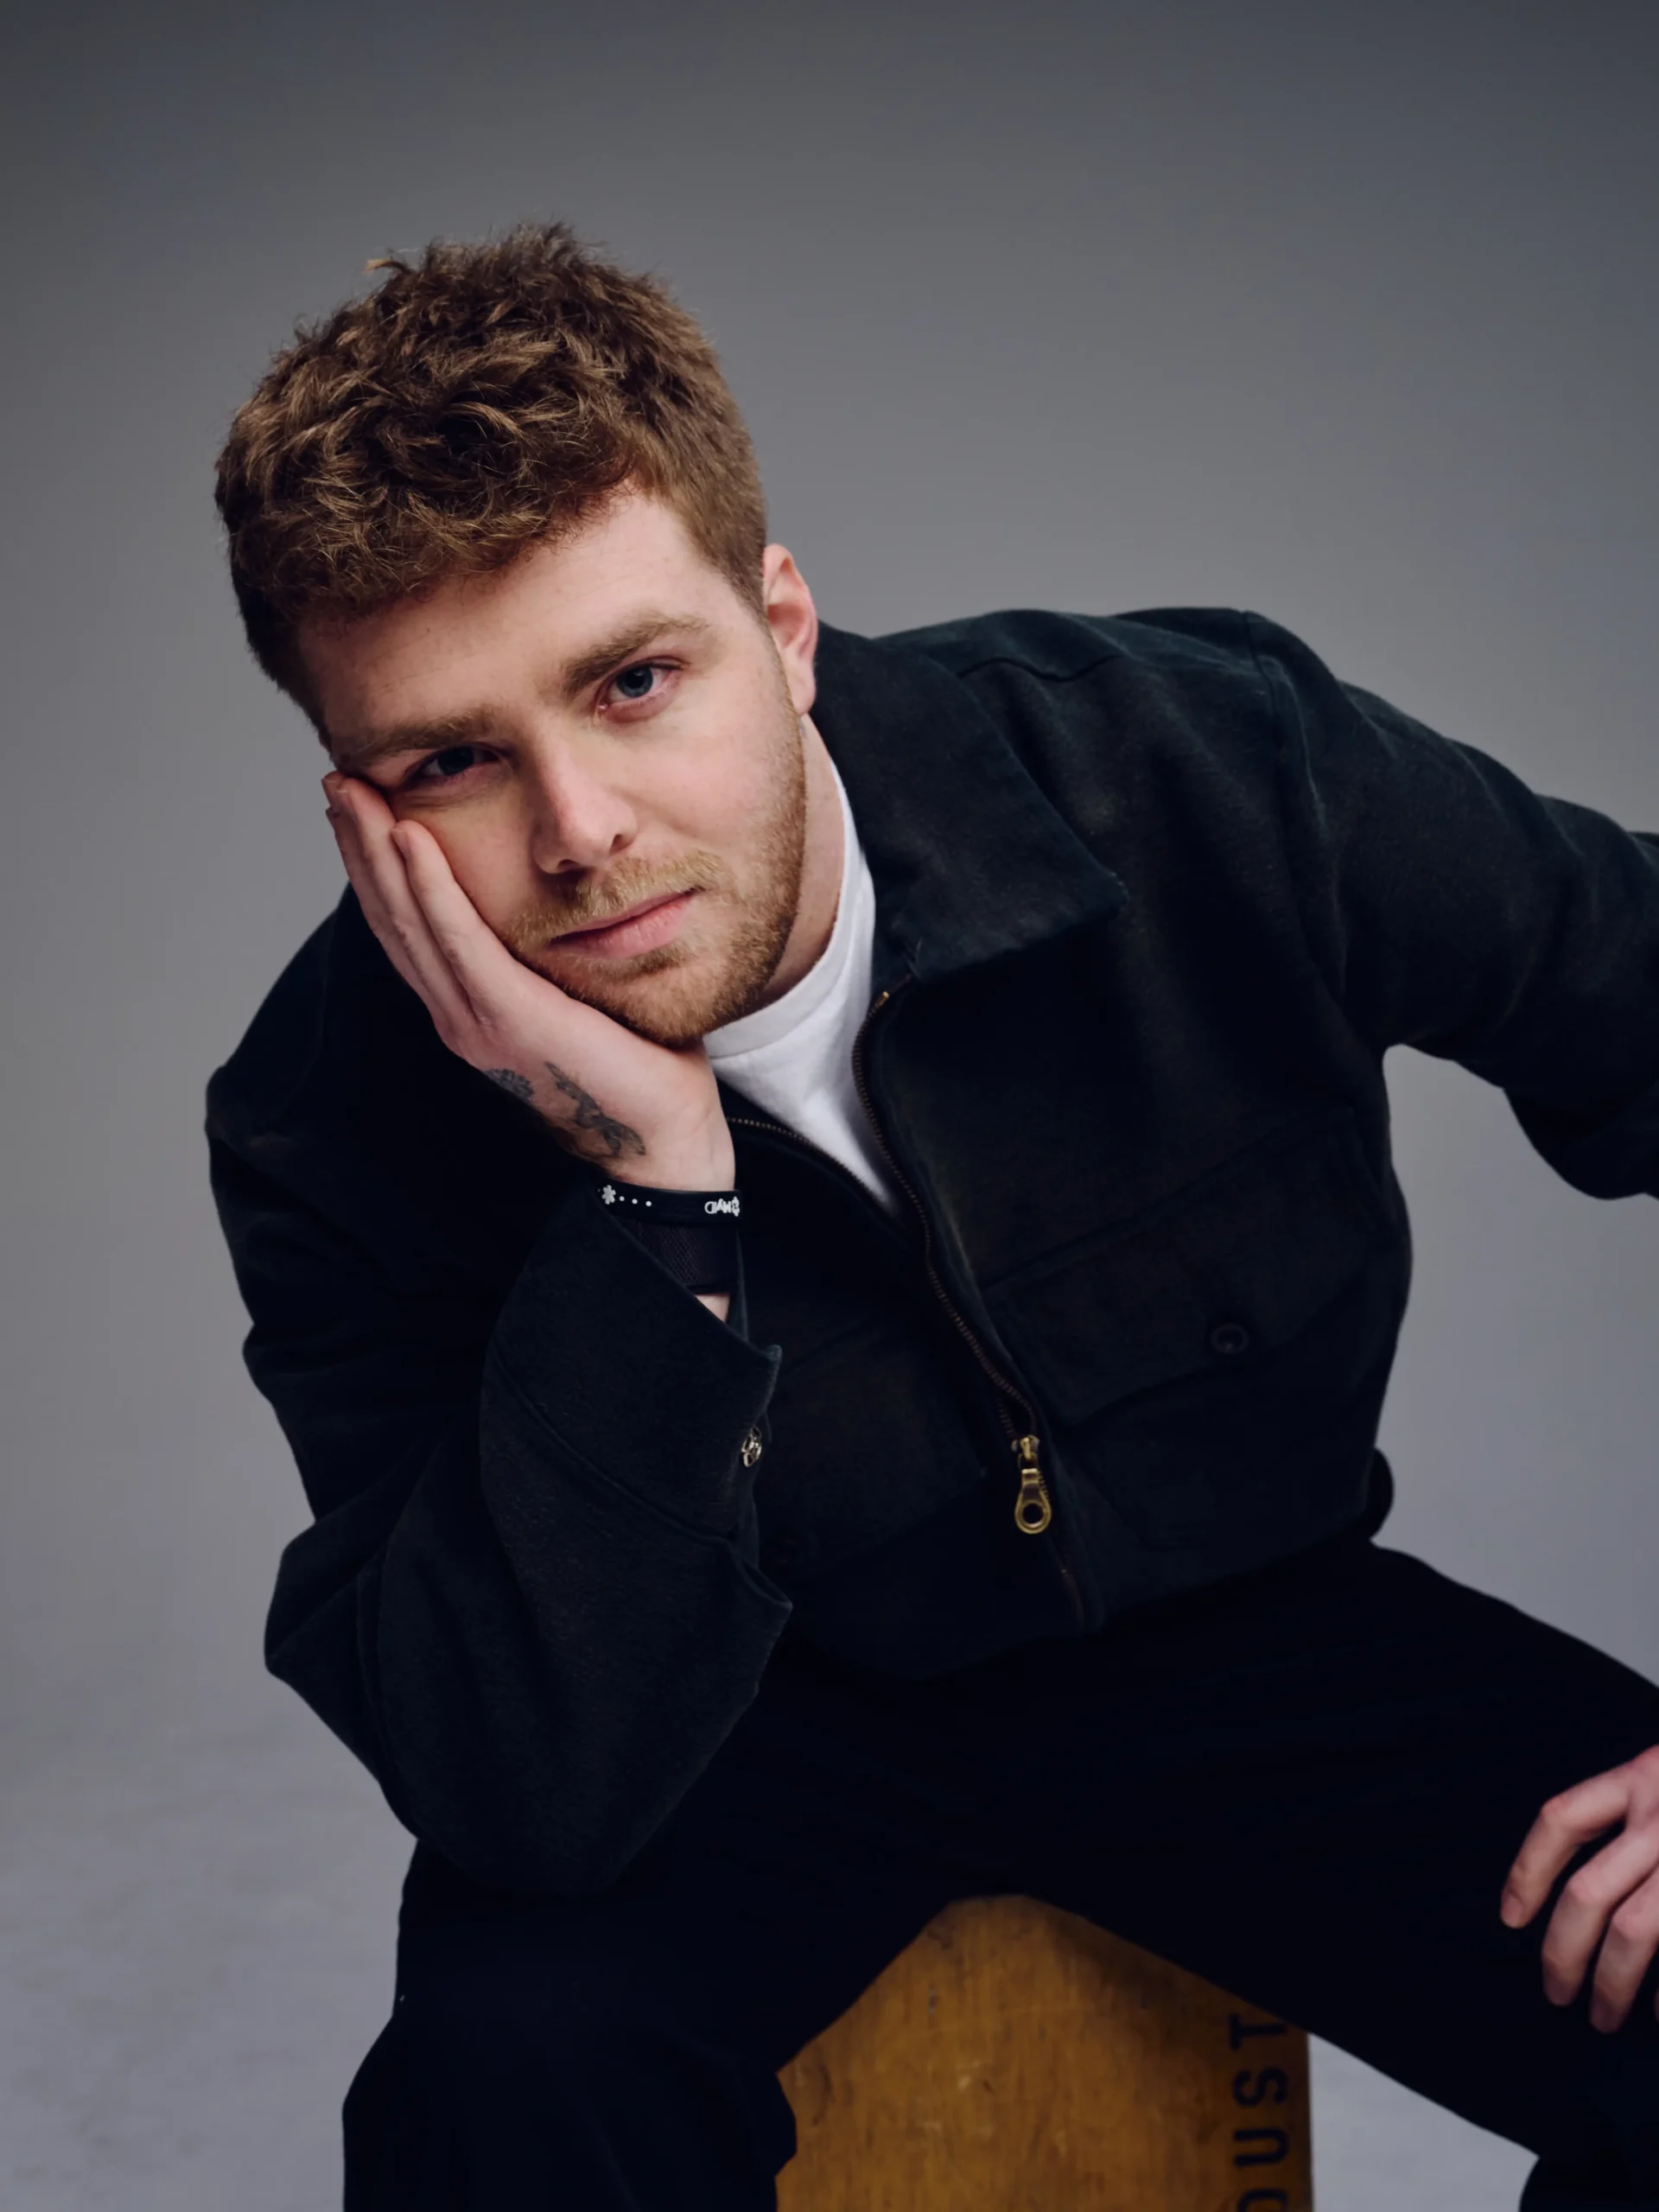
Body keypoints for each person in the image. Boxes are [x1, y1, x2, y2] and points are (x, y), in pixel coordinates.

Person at [205, 220, 1659, 2210]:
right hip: (725, 1737)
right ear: (358, 804)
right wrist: (652, 1195)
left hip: (1259, 1638)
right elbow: (515, 1782)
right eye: (452, 759)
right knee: (505, 2085)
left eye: (635, 680)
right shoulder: (327, 1117)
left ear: (785, 626)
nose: (577, 833)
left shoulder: (1200, 768)